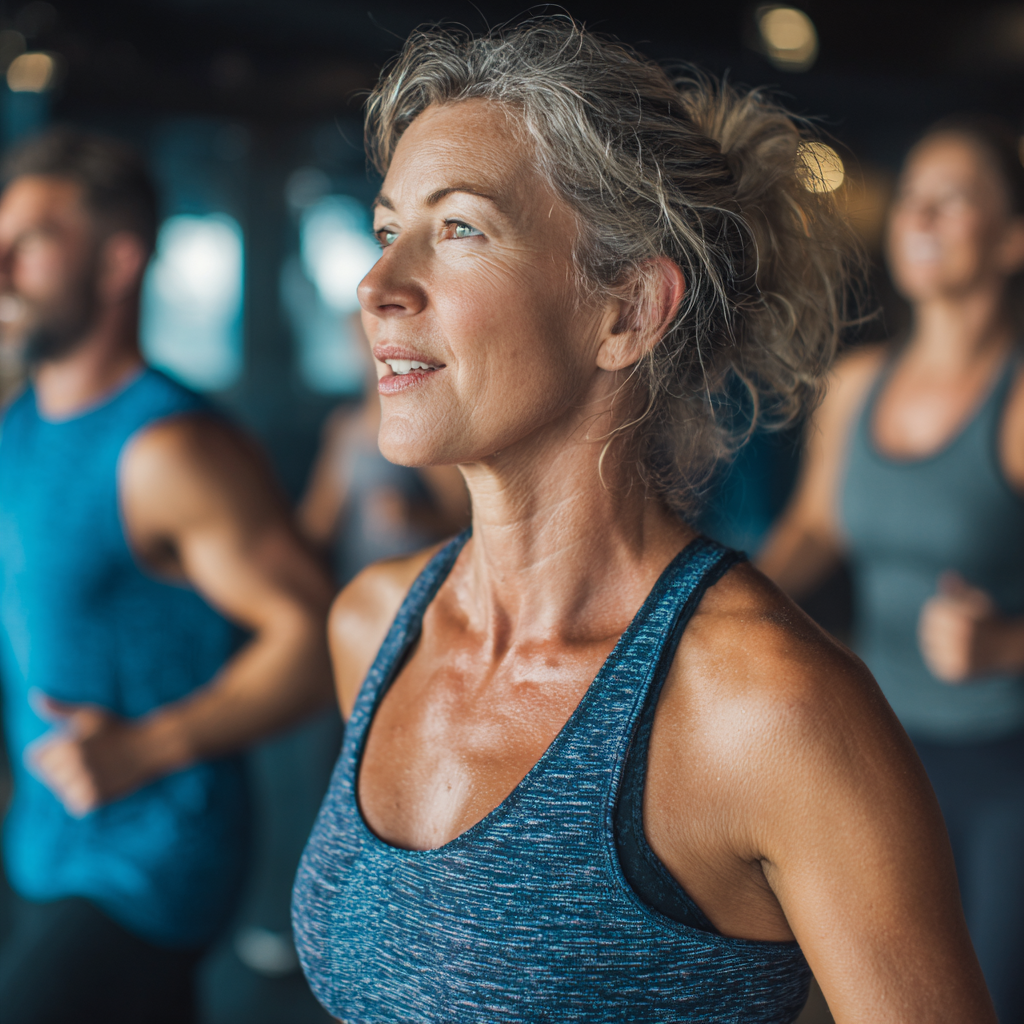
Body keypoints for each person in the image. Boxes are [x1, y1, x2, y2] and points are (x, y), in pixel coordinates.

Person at [292, 19, 996, 1023]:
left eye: (457, 228)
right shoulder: (372, 626)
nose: (377, 284)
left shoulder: (770, 714)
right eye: (384, 228)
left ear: (624, 310)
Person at [0, 129, 335, 1023]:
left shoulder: (171, 449)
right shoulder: (19, 425)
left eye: (31, 242)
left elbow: (312, 644)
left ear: (118, 261)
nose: (2, 268)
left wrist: (141, 750)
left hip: (151, 857)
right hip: (42, 840)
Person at [759, 115, 1024, 1022]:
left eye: (953, 200)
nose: (920, 215)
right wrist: (698, 605)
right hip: (876, 752)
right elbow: (811, 532)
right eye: (913, 196)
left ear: (1013, 238)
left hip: (1003, 766)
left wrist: (1006, 643)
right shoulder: (859, 386)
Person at [300, 313, 469, 584]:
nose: (367, 350)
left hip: (417, 590)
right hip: (358, 591)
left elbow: (468, 520)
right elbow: (319, 522)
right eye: (359, 340)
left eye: (373, 338)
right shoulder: (345, 427)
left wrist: (417, 515)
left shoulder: (424, 425)